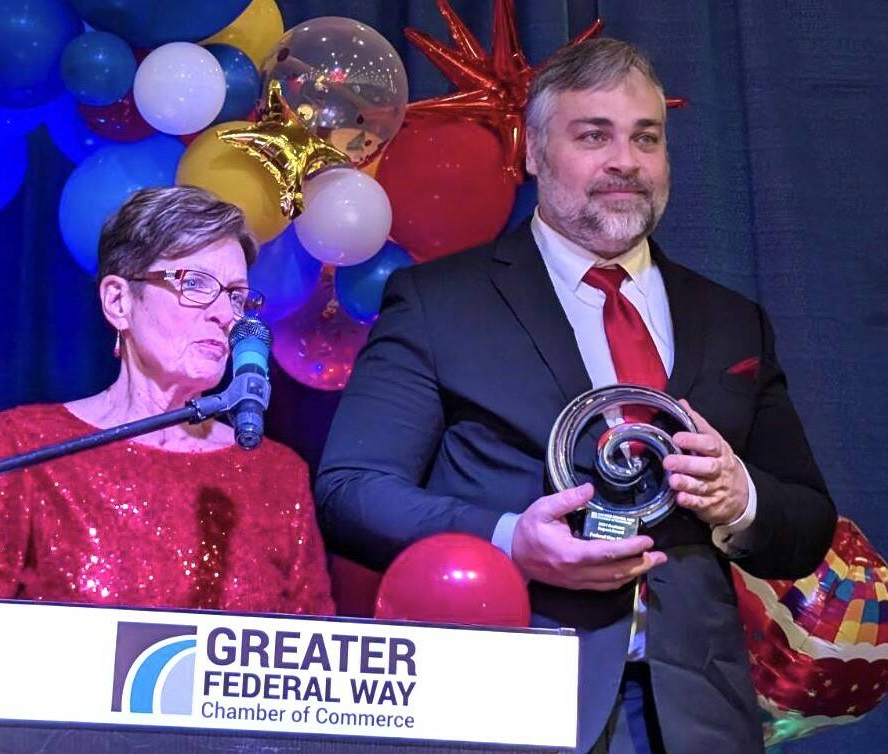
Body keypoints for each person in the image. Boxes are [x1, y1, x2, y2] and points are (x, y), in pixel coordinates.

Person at [315, 39, 836, 754]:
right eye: (593, 135)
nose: (625, 160)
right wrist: (510, 544)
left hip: (698, 721)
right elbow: (351, 491)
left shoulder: (729, 318)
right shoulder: (441, 302)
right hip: (503, 700)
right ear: (532, 153)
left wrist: (740, 498)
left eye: (644, 138)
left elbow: (805, 524)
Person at [0, 186, 334, 690]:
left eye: (237, 295)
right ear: (119, 300)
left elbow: (316, 674)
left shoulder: (276, 474)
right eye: (196, 283)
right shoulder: (32, 445)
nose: (224, 314)